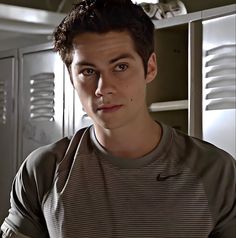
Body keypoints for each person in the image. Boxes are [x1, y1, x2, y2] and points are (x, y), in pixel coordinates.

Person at [1, 0, 236, 237]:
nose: (104, 88)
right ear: (72, 79)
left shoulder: (215, 171)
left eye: (121, 67)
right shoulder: (42, 171)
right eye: (88, 71)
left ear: (150, 67)